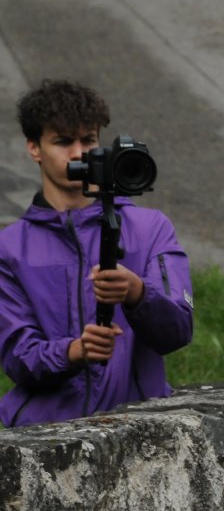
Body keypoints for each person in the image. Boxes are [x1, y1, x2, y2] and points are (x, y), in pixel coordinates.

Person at [0, 79, 193, 428]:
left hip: (138, 430)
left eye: (88, 140)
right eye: (63, 141)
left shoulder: (150, 228)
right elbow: (16, 357)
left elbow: (178, 331)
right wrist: (73, 352)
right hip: (44, 435)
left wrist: (138, 294)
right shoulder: (10, 248)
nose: (79, 154)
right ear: (34, 148)